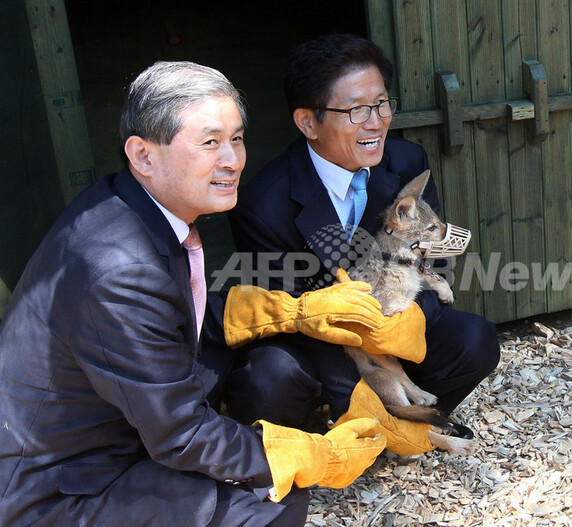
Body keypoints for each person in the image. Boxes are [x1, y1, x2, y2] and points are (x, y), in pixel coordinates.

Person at [0, 61, 389, 526]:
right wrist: (317, 453)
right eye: (209, 142)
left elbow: (174, 318)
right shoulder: (121, 272)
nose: (232, 160)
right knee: (269, 510)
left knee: (277, 485)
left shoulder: (128, 203)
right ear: (143, 155)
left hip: (113, 436)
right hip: (59, 483)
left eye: (237, 138)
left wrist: (292, 311)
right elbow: (179, 433)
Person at [225, 34, 501, 451]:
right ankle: (340, 430)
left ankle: (403, 423)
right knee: (267, 378)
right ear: (308, 122)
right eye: (355, 110)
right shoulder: (263, 203)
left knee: (474, 340)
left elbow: (433, 258)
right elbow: (293, 317)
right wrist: (358, 389)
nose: (375, 121)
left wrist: (407, 321)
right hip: (319, 340)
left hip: (390, 321)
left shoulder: (407, 161)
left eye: (381, 103)